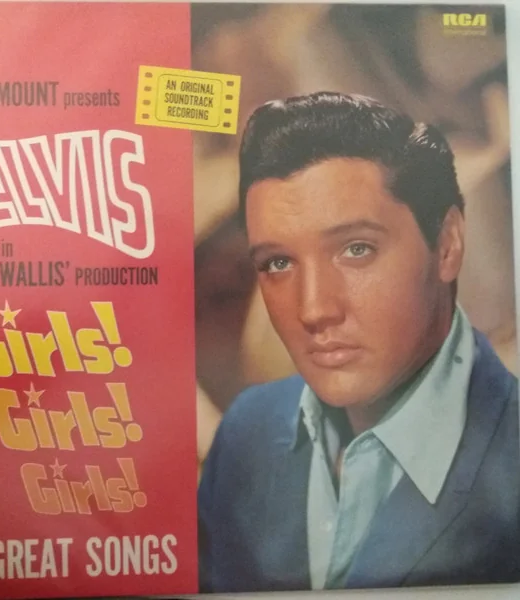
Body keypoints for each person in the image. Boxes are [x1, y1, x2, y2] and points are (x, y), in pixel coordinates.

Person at [198, 91, 520, 592]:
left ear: (447, 245)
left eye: (356, 249)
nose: (313, 309)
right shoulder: (247, 431)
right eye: (278, 262)